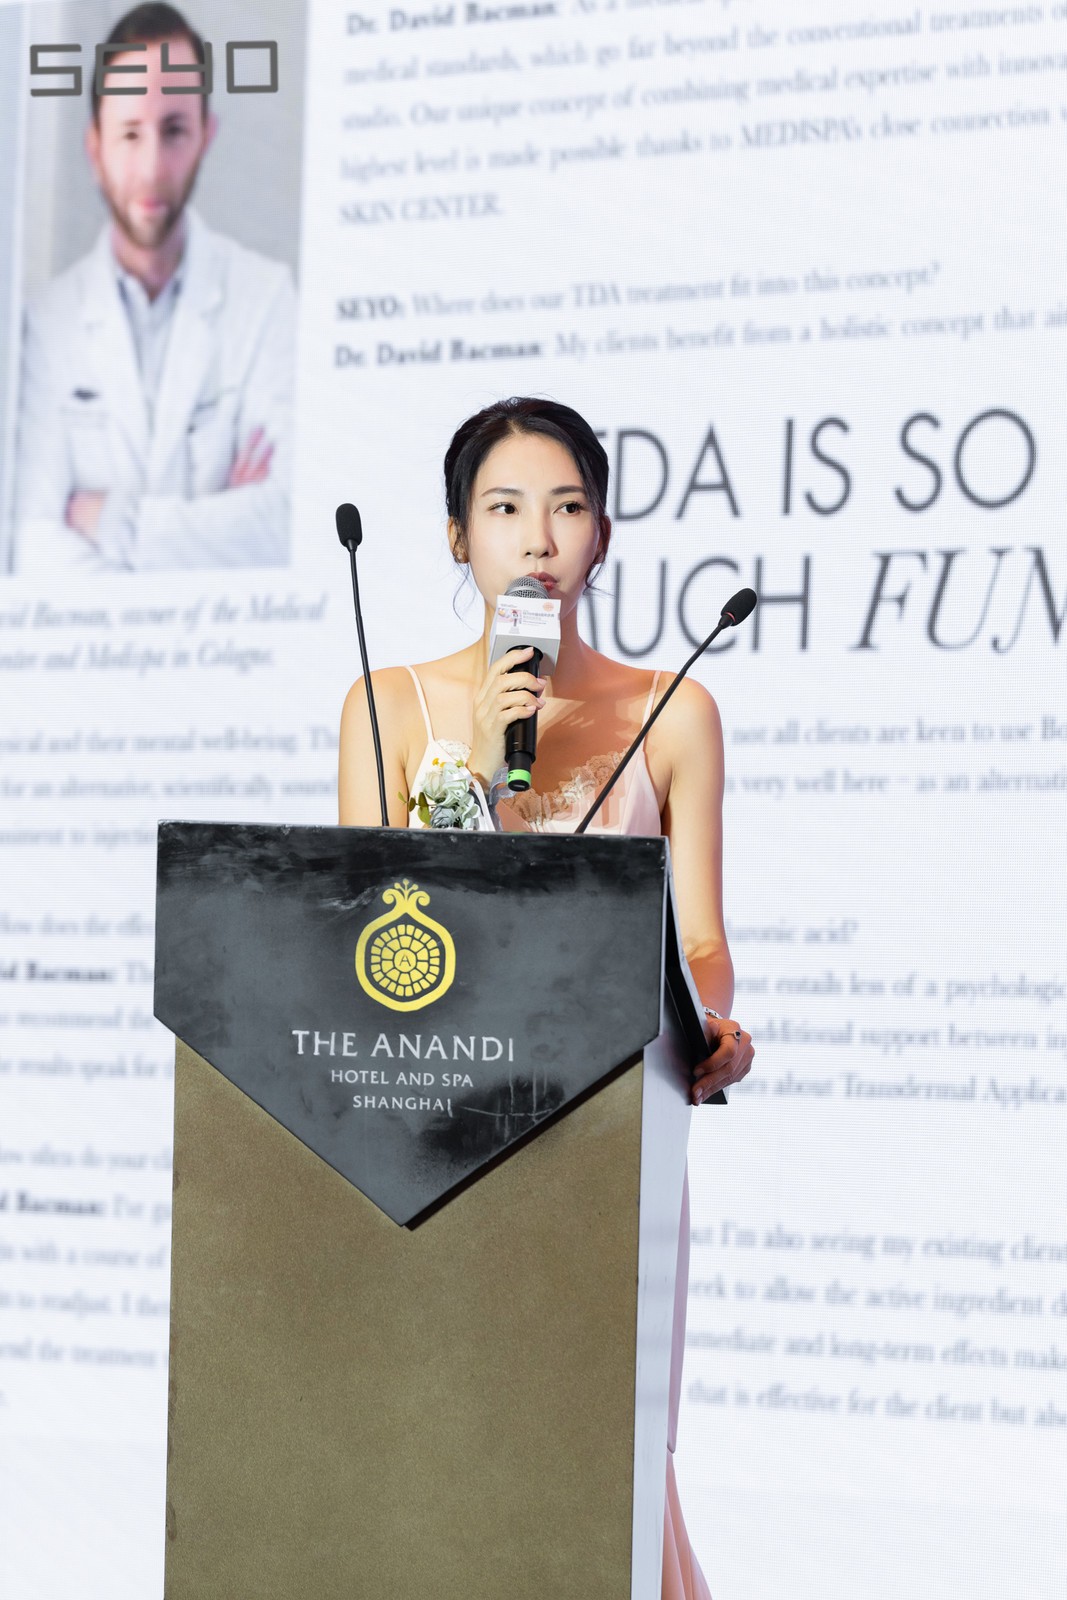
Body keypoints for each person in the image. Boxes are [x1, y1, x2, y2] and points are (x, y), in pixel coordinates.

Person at [338, 396, 754, 1599]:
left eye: (567, 507)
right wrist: (478, 756)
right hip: (431, 1133)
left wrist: (710, 1021)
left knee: (601, 1462)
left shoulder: (673, 710)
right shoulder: (386, 707)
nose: (537, 536)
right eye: (505, 508)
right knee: (438, 1450)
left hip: (608, 1140)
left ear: (601, 535)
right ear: (456, 536)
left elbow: (701, 938)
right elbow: (363, 940)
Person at [13, 2, 294, 575]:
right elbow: (34, 548)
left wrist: (107, 521)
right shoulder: (45, 323)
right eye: (129, 133)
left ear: (206, 135)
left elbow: (283, 525)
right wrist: (212, 528)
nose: (151, 167)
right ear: (95, 146)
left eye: (173, 131)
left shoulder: (267, 299)